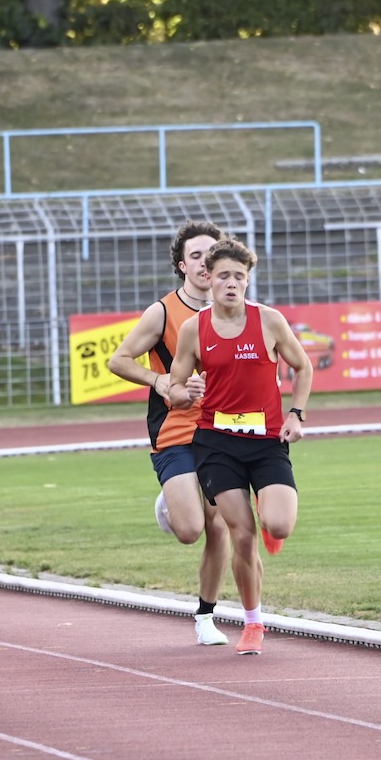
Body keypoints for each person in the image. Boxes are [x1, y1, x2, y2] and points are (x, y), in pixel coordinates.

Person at [167, 238, 312, 656]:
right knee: (241, 536)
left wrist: (295, 415)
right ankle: (253, 623)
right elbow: (174, 389)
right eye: (224, 276)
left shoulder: (269, 321)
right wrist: (187, 391)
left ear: (248, 281)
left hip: (266, 442)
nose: (231, 283)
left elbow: (303, 367)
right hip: (216, 445)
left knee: (279, 525)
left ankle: (270, 516)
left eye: (239, 277)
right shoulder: (194, 329)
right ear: (208, 278)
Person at [108, 220, 232, 646]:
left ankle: (206, 616)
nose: (205, 263)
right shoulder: (162, 312)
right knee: (190, 530)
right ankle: (171, 502)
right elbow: (119, 360)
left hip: (221, 431)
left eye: (211, 254)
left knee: (220, 525)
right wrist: (158, 381)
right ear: (182, 265)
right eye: (196, 256)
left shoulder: (235, 310)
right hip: (176, 427)